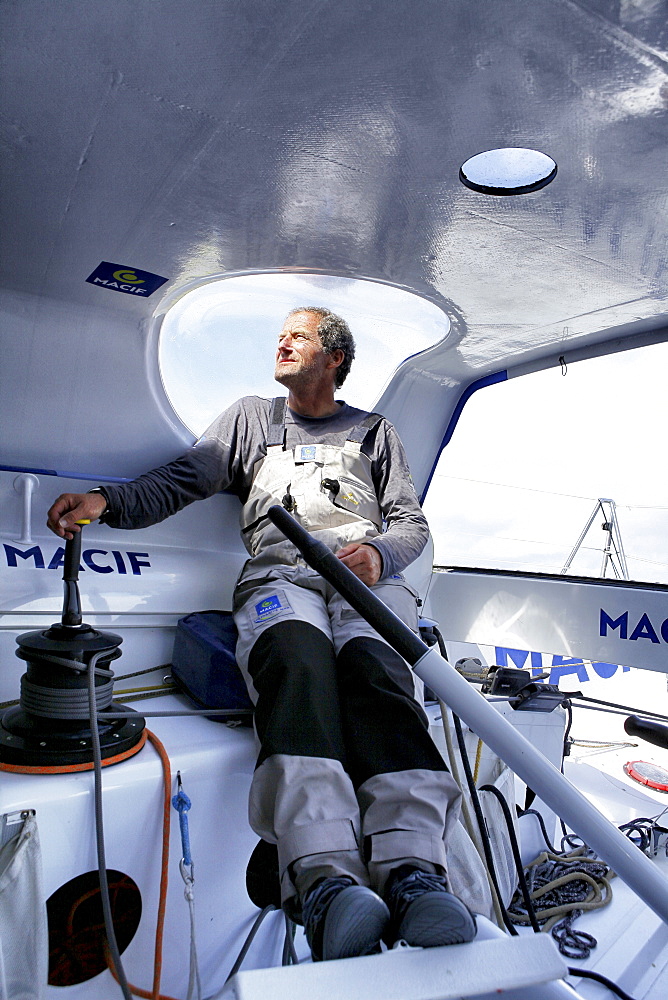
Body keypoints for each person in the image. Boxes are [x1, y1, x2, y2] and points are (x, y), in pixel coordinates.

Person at [47, 307, 476, 962]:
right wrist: (109, 502)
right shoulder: (250, 418)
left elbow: (410, 523)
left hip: (366, 582)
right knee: (296, 666)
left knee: (380, 676)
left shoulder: (376, 432)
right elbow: (186, 478)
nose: (283, 341)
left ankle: (414, 869)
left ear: (334, 358)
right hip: (285, 578)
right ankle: (323, 876)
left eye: (299, 335)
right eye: (281, 335)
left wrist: (381, 555)